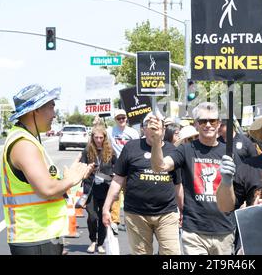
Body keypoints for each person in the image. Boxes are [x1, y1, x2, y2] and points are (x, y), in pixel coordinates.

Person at [1, 84, 93, 255]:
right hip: (34, 237)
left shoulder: (29, 139)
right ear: (34, 111)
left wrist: (66, 179)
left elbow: (45, 184)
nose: (54, 114)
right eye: (51, 107)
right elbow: (47, 190)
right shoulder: (24, 144)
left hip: (43, 235)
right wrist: (72, 179)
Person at [149, 102, 241, 255]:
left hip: (224, 230)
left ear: (219, 124)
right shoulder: (186, 150)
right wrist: (157, 140)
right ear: (196, 124)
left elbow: (239, 193)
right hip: (194, 231)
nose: (208, 125)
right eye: (203, 121)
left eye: (212, 121)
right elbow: (160, 167)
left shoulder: (229, 152)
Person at [102, 113, 181, 255]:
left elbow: (178, 184)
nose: (153, 130)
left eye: (157, 126)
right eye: (149, 126)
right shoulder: (131, 147)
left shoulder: (172, 150)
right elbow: (118, 180)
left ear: (163, 129)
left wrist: (183, 210)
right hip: (137, 214)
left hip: (167, 214)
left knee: (172, 253)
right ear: (144, 129)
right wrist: (106, 208)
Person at [80, 125, 116, 254]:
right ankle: (92, 241)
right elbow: (81, 167)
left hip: (106, 188)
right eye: (96, 137)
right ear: (92, 137)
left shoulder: (110, 151)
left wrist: (112, 175)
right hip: (91, 189)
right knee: (92, 217)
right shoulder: (87, 150)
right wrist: (88, 168)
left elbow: (117, 167)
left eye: (101, 137)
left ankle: (100, 243)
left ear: (105, 138)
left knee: (103, 217)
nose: (99, 140)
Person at [107, 108, 140, 233]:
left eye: (123, 118)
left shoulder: (133, 132)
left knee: (129, 195)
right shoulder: (110, 131)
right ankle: (115, 221)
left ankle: (129, 221)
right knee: (115, 194)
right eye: (118, 118)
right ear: (115, 120)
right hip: (117, 167)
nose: (121, 120)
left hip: (131, 167)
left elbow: (137, 148)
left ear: (126, 118)